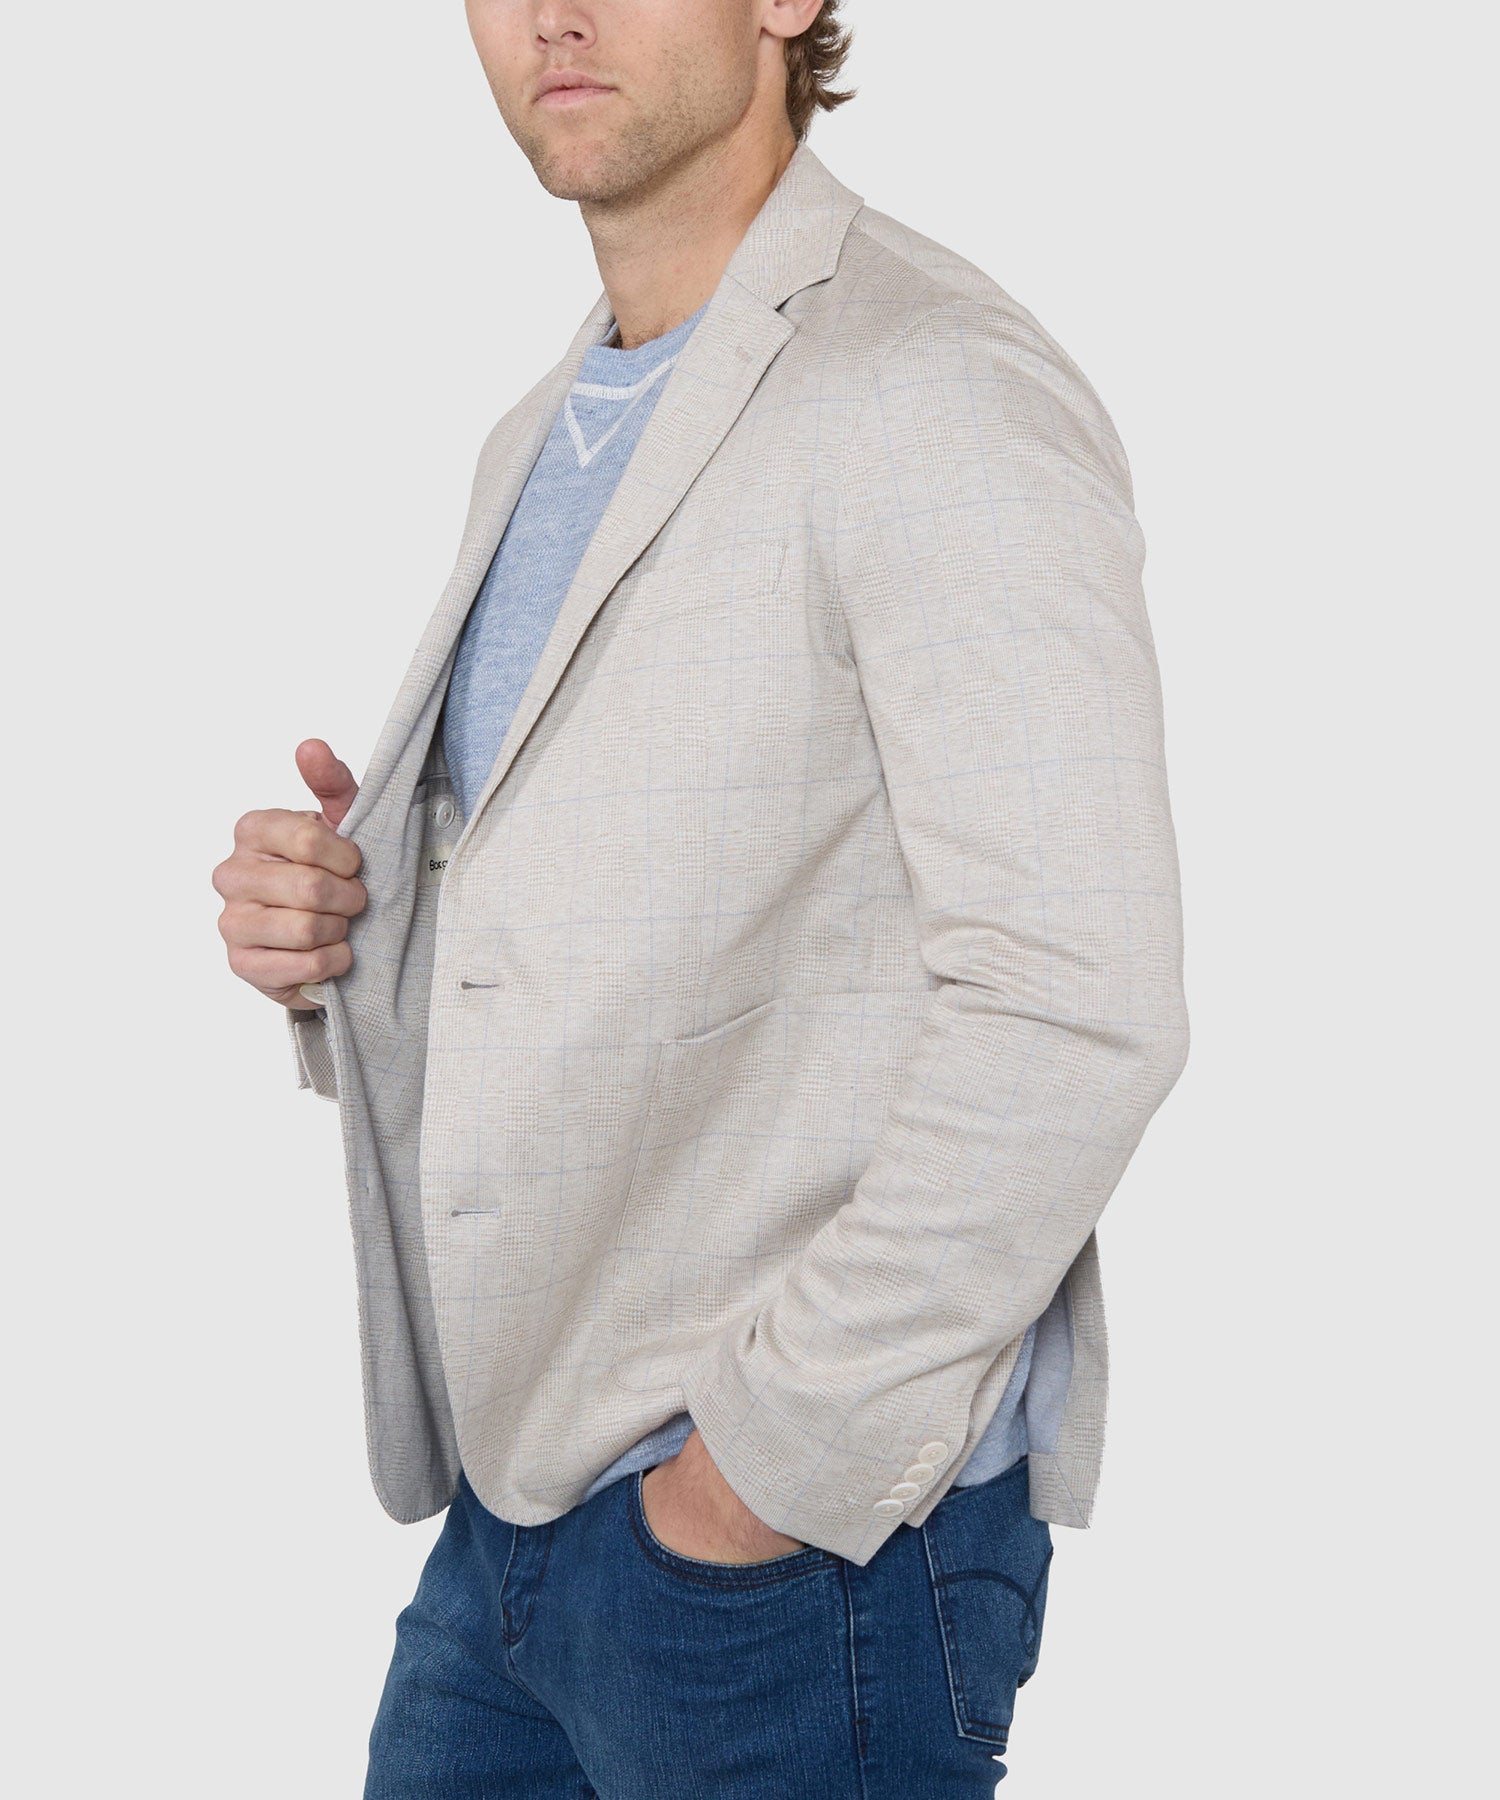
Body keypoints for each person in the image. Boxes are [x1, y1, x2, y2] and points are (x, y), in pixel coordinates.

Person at [212, 2, 1189, 1792]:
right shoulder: (542, 428)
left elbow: (1078, 1002)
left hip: (794, 1564)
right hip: (515, 1522)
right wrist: (346, 941)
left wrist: (757, 1478)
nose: (554, 14)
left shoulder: (931, 382)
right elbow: (615, 933)